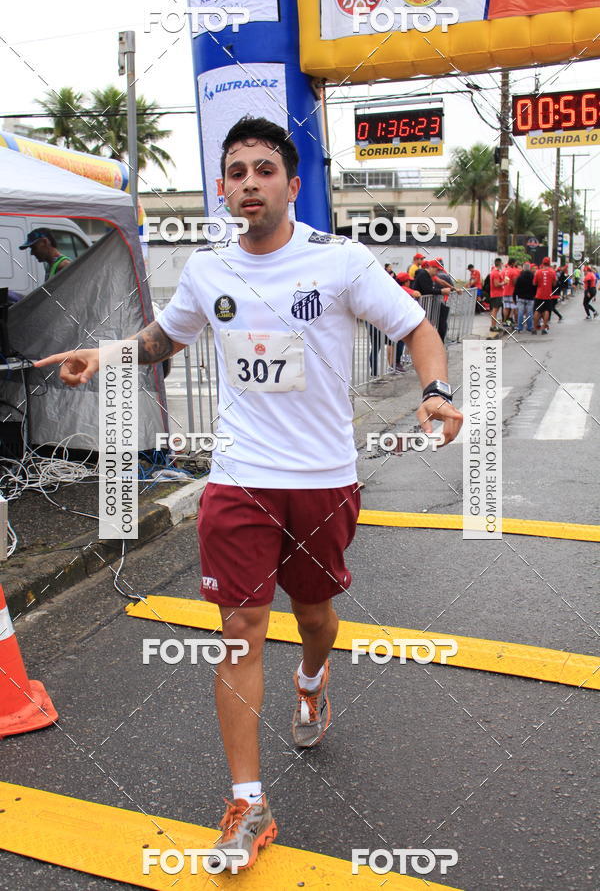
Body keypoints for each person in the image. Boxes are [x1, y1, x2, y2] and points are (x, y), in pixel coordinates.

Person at [34, 116, 463, 873]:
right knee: (241, 627)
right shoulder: (206, 270)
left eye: (264, 169)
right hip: (238, 479)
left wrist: (435, 390)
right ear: (225, 188)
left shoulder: (340, 262)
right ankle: (248, 801)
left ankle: (312, 679)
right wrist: (100, 355)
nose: (249, 183)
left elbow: (417, 328)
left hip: (323, 480)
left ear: (291, 186)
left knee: (316, 617)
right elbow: (164, 339)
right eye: (236, 172)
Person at [532, 256, 556, 334]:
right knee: (546, 311)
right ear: (549, 263)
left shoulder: (538, 272)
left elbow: (534, 283)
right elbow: (554, 284)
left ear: (542, 262)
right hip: (548, 295)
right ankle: (544, 328)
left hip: (539, 295)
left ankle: (535, 328)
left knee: (537, 310)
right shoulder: (552, 272)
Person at [514, 262, 536, 333]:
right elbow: (535, 286)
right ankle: (529, 327)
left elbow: (516, 288)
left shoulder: (520, 277)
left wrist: (515, 297)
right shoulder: (533, 276)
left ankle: (520, 327)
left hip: (521, 297)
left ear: (523, 268)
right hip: (530, 297)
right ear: (529, 268)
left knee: (520, 312)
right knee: (529, 313)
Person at [501, 258, 520, 327]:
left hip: (504, 291)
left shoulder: (503, 271)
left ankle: (505, 321)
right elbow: (515, 283)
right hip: (512, 292)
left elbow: (504, 281)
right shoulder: (513, 271)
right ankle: (514, 321)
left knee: (506, 307)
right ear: (513, 263)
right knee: (514, 307)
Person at [489, 257, 506, 333]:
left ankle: (494, 325)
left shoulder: (495, 272)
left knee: (495, 310)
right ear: (499, 263)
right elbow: (496, 284)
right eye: (501, 263)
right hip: (496, 294)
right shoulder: (495, 272)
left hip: (496, 294)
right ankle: (493, 326)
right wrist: (504, 283)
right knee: (495, 310)